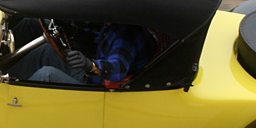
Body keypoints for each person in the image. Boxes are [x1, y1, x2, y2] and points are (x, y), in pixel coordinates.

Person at [9, 22, 155, 86]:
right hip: (94, 73)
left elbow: (118, 70)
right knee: (46, 50)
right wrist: (74, 32)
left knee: (47, 74)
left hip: (102, 86)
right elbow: (97, 41)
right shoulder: (115, 25)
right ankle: (5, 79)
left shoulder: (125, 37)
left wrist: (91, 65)